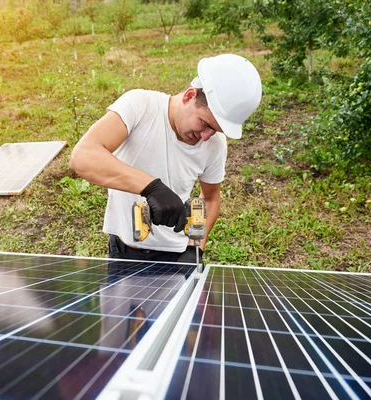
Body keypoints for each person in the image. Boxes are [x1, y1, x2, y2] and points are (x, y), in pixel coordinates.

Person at [70, 54, 262, 267]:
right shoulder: (140, 106)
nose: (207, 136)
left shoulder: (215, 144)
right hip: (125, 252)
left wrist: (195, 248)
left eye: (216, 130)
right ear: (189, 96)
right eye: (205, 124)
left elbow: (211, 198)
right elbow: (83, 156)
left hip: (177, 256)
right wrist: (151, 188)